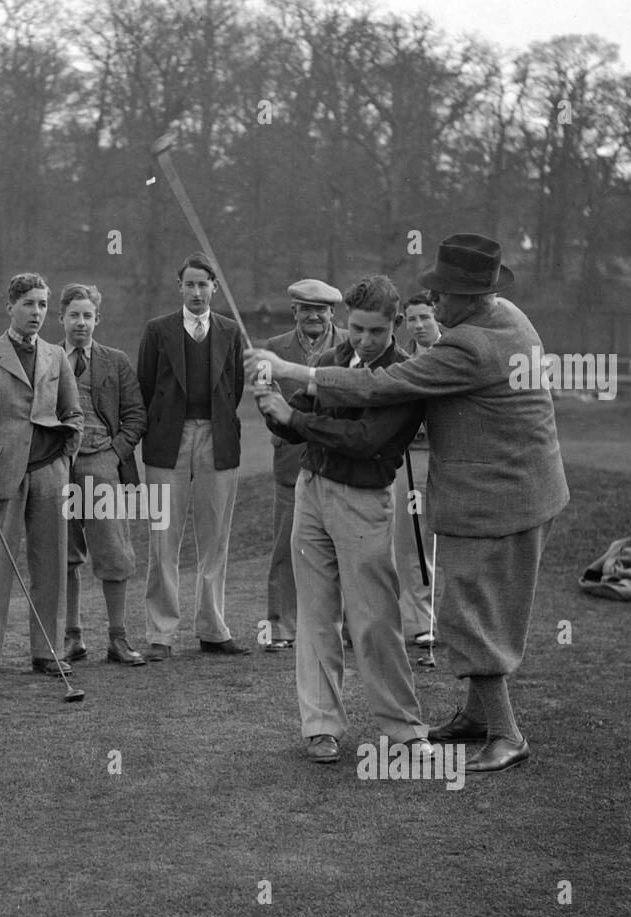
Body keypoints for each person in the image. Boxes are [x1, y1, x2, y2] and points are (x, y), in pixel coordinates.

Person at [245, 234, 570, 774]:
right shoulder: (504, 315)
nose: (435, 306)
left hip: (496, 498)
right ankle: (474, 717)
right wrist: (280, 408)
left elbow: (381, 392)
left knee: (466, 615)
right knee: (467, 609)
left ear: (473, 297)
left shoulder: (467, 346)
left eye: (444, 295)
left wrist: (294, 377)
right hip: (515, 489)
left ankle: (507, 734)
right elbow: (308, 411)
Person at [255, 275, 429, 763]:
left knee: (374, 619)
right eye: (356, 329)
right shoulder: (329, 361)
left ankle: (403, 727)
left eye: (375, 331)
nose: (364, 340)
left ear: (394, 325)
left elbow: (365, 438)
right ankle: (321, 726)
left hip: (365, 501)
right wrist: (269, 403)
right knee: (315, 616)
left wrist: (296, 421)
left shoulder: (405, 374)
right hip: (311, 493)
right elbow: (293, 425)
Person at [0, 274, 83, 679]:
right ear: (10, 307)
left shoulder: (55, 356)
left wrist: (63, 458)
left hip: (51, 474)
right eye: (29, 304)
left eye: (42, 305)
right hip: (2, 477)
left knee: (50, 564)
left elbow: (74, 414)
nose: (37, 313)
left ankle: (48, 652)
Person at [137, 251, 248, 660]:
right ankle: (160, 634)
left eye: (204, 284)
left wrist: (210, 425)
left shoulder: (230, 332)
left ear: (214, 288)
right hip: (168, 442)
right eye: (190, 284)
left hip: (218, 441)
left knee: (215, 538)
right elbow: (146, 386)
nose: (197, 291)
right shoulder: (157, 331)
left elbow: (233, 390)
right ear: (179, 287)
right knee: (163, 538)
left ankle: (212, 629)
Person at [58, 283, 149, 666]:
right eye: (74, 315)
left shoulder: (116, 361)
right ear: (61, 317)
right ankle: (72, 638)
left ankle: (118, 638)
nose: (81, 322)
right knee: (63, 554)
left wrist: (115, 453)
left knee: (113, 551)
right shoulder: (46, 360)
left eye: (88, 315)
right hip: (57, 465)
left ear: (98, 319)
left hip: (101, 463)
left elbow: (136, 416)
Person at [261, 279, 344, 653]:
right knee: (286, 546)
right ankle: (281, 627)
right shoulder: (275, 348)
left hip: (338, 457)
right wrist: (285, 421)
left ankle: (344, 627)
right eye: (306, 309)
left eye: (321, 309)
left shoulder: (348, 344)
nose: (314, 316)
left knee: (343, 546)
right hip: (291, 459)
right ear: (294, 311)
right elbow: (268, 399)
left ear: (332, 313)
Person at [395, 292, 441, 645]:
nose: (419, 325)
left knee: (445, 542)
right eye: (412, 319)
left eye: (425, 317)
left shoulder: (454, 354)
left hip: (450, 461)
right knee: (413, 541)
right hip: (411, 459)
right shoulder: (404, 360)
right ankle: (420, 621)